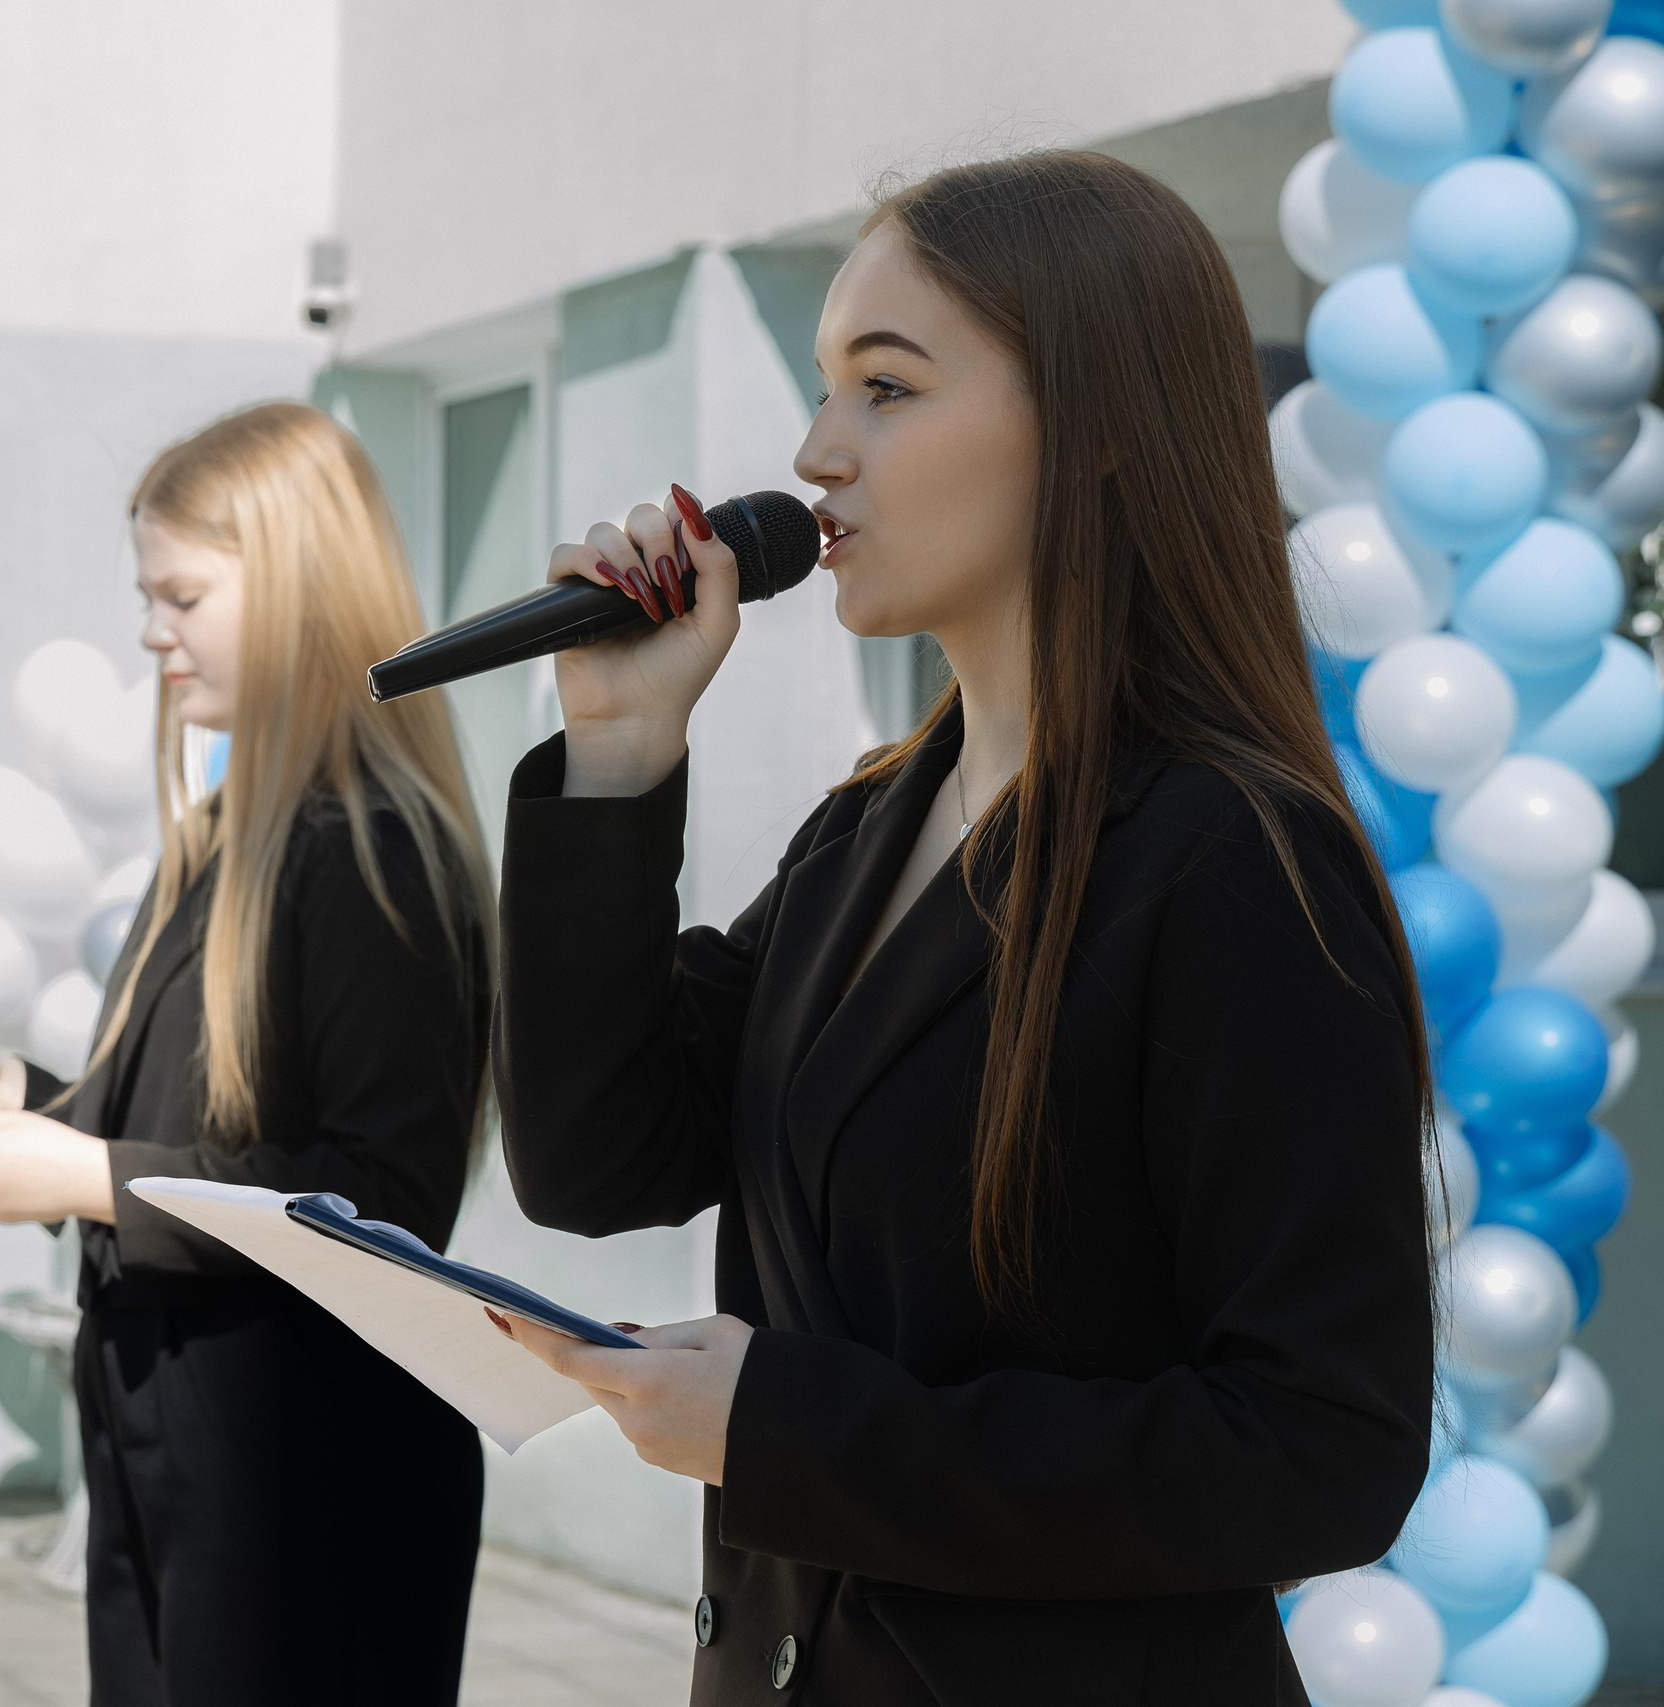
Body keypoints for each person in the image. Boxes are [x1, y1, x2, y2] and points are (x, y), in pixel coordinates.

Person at [487, 152, 1438, 1705]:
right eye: (824, 391)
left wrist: (792, 1432)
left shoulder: (1229, 859)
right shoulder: (868, 830)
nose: (815, 455)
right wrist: (617, 753)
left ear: (1104, 426)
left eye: (886, 389)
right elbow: (600, 1160)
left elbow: (1322, 1451)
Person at [0, 402, 493, 1707]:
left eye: (180, 594)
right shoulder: (235, 833)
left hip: (302, 1478)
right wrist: (31, 1104)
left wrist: (87, 1180)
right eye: (146, 594)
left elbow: (377, 1199)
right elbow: (206, 1119)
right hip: (181, 1448)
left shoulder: (366, 850)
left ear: (296, 590)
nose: (148, 631)